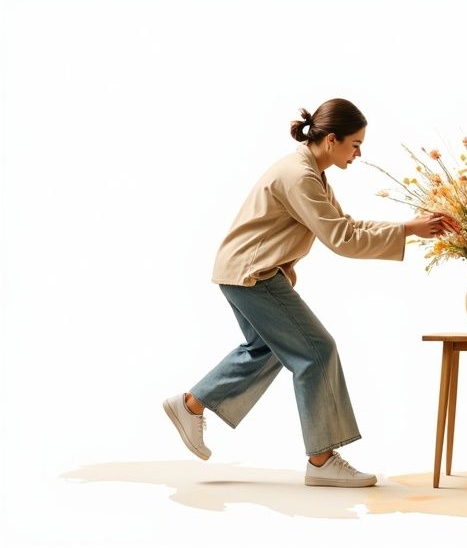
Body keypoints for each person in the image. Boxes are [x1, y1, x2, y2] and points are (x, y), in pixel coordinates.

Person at [162, 98, 448, 488]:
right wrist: (407, 231)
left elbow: (344, 224)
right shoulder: (300, 175)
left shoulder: (311, 172)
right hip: (254, 273)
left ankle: (191, 405)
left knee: (268, 350)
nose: (358, 154)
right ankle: (322, 460)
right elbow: (342, 239)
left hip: (242, 270)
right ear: (332, 140)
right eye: (355, 144)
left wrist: (407, 228)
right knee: (316, 351)